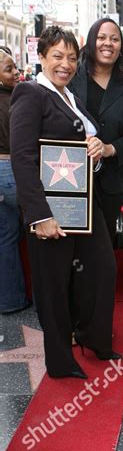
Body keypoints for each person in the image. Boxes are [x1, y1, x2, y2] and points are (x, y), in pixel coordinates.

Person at [10, 26, 120, 380]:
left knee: (102, 271)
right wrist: (38, 215)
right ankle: (60, 360)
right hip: (50, 210)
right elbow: (23, 158)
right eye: (58, 56)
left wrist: (97, 150)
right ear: (41, 56)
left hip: (84, 207)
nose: (66, 64)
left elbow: (82, 144)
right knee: (53, 284)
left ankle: (94, 338)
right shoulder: (30, 93)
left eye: (72, 57)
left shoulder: (70, 96)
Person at [70, 18, 123, 243]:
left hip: (111, 183)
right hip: (70, 178)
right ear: (92, 41)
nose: (108, 43)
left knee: (103, 256)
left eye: (114, 39)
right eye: (102, 37)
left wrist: (109, 148)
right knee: (70, 252)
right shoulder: (71, 79)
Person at [0, 48, 30, 314]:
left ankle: (11, 300)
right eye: (9, 69)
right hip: (11, 171)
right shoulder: (12, 102)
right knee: (35, 230)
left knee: (6, 237)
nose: (16, 73)